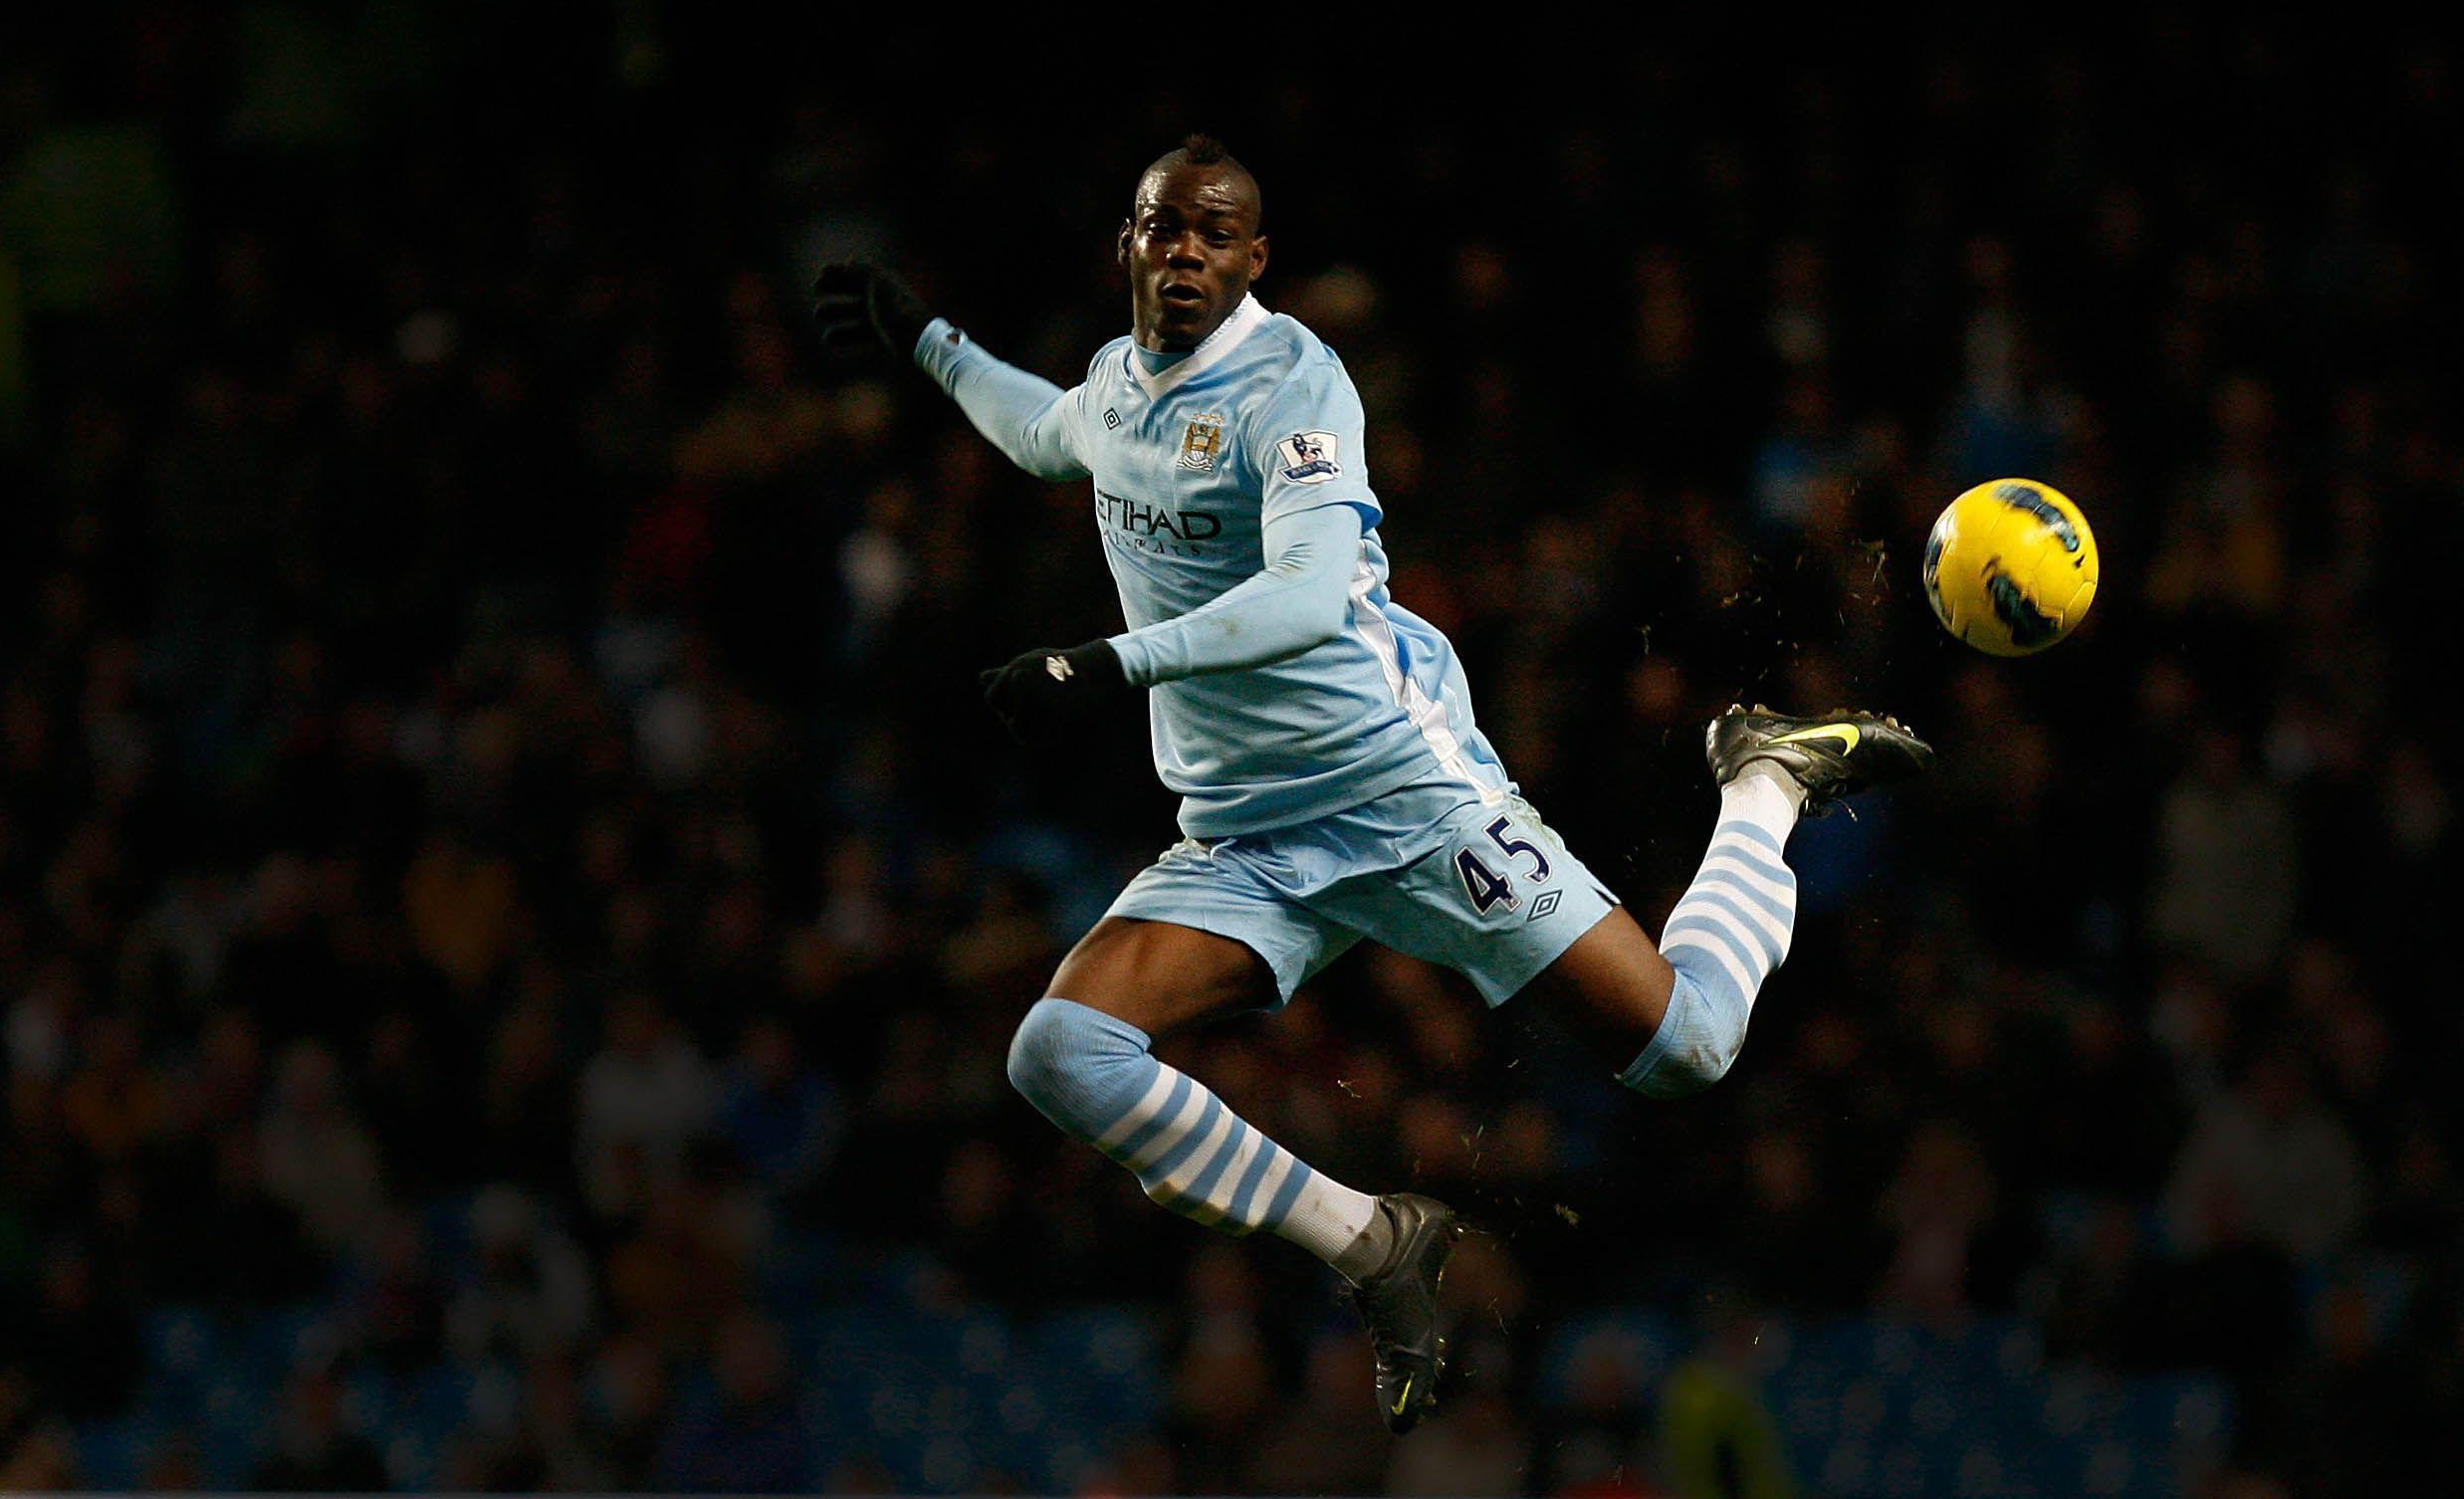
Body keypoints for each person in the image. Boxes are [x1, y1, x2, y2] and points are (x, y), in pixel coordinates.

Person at [810, 134, 1930, 1433]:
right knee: (1061, 1050)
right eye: (1162, 229)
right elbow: (1050, 437)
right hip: (1246, 837)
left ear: (1253, 261)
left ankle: (1764, 785)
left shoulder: (1297, 387)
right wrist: (930, 342)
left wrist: (1113, 662)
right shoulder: (1119, 382)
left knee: (1685, 1049)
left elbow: (1302, 596)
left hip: (1405, 795)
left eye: (1213, 236)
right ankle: (1373, 1244)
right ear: (1127, 242)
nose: (1184, 254)